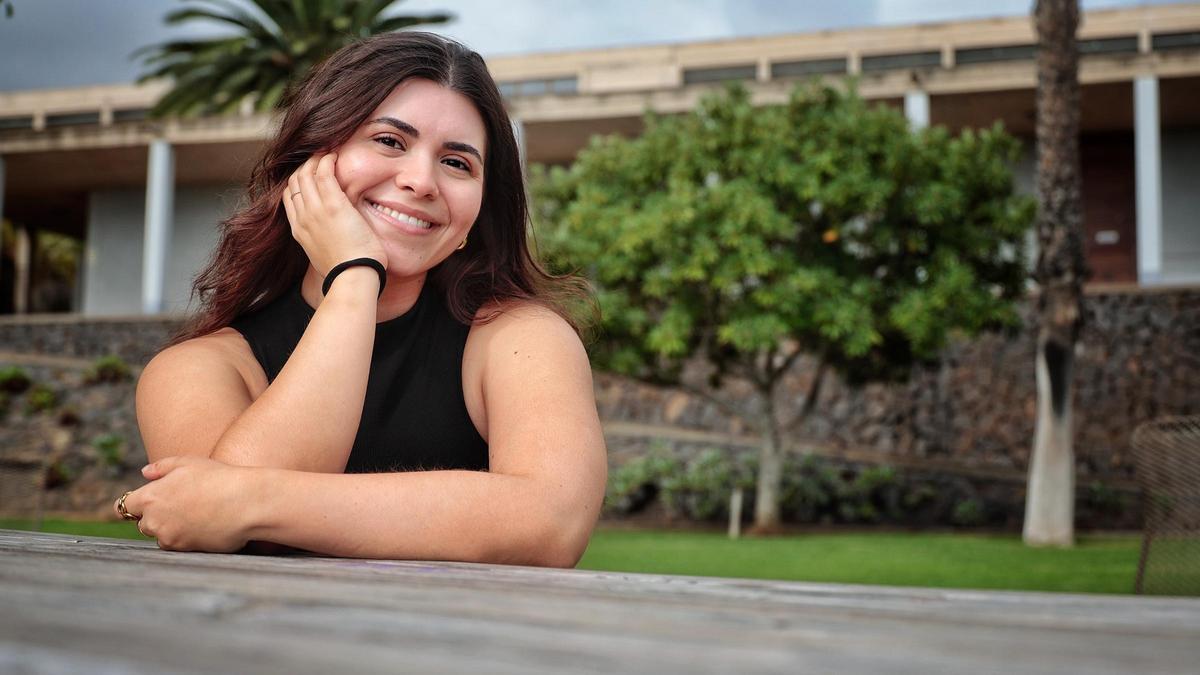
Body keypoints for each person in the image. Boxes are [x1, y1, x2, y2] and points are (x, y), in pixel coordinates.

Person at [114, 32, 607, 567]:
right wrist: (353, 280)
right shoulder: (197, 368)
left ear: (475, 217)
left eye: (457, 163)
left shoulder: (519, 339)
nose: (421, 181)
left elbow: (551, 522)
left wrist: (252, 497)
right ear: (310, 162)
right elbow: (251, 543)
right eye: (390, 141)